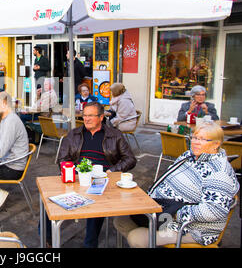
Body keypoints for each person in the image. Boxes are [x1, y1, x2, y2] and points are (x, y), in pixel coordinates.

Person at [113, 122, 239, 247]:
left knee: (136, 238)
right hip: (163, 211)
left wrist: (175, 214)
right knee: (121, 221)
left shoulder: (220, 172)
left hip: (191, 228)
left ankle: (145, 238)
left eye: (202, 139)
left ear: (216, 144)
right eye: (194, 137)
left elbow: (214, 210)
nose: (195, 142)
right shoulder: (189, 155)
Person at [55, 102, 137, 247]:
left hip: (103, 179)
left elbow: (130, 159)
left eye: (91, 116)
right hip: (77, 178)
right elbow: (62, 159)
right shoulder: (74, 134)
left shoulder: (115, 135)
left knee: (95, 205)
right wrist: (74, 173)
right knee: (51, 205)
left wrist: (112, 171)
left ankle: (90, 244)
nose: (86, 119)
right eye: (84, 115)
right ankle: (48, 241)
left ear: (101, 117)